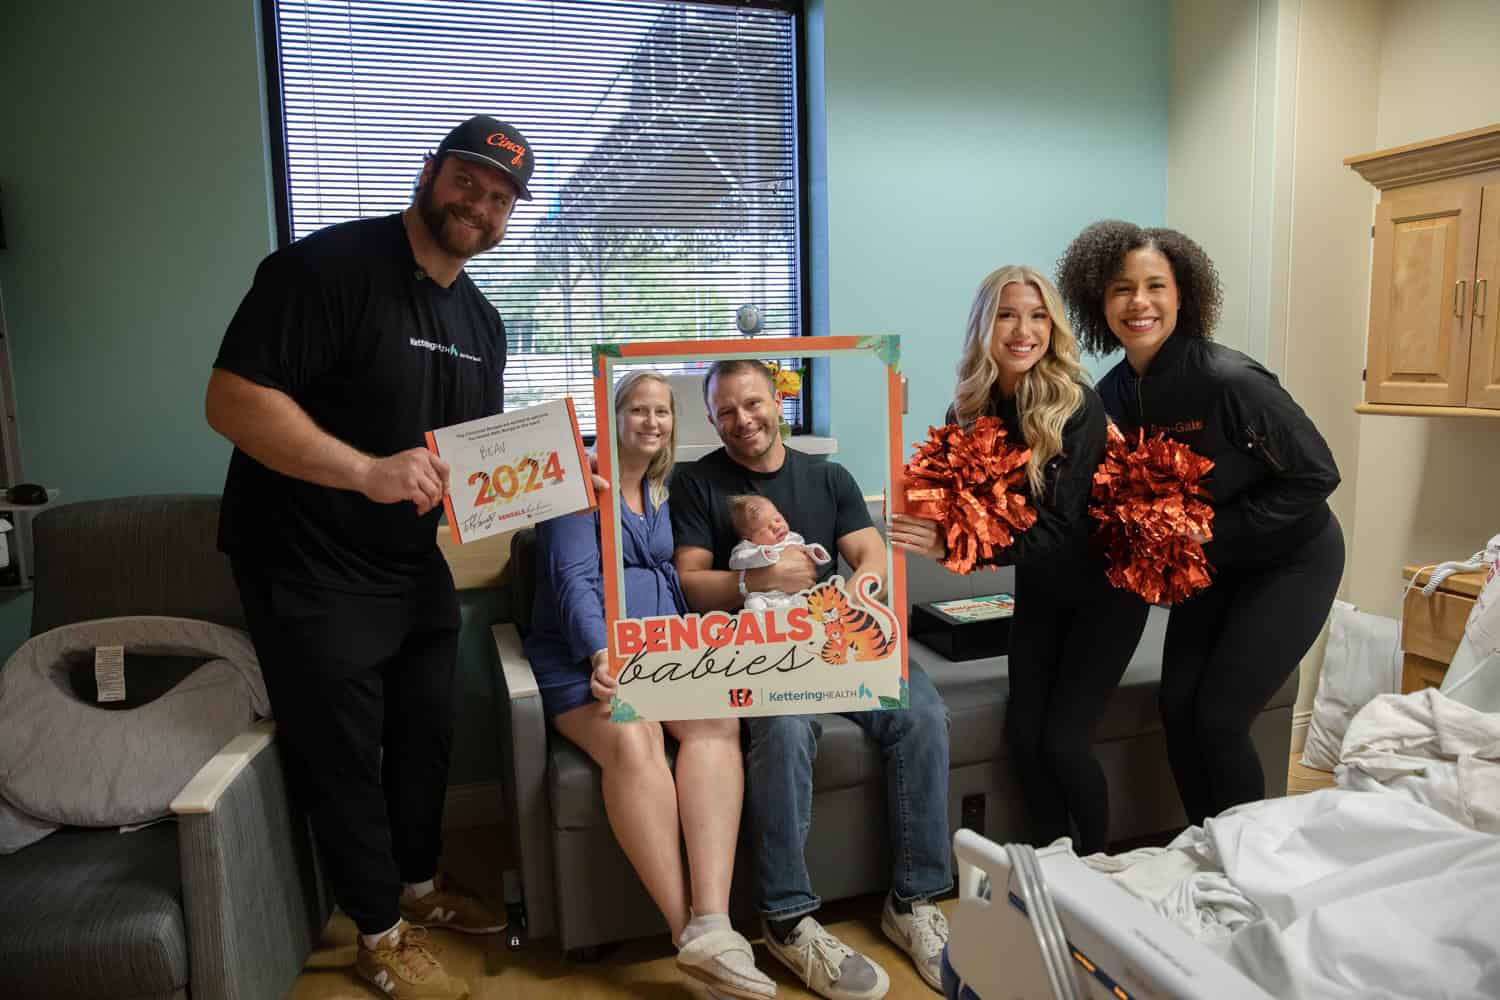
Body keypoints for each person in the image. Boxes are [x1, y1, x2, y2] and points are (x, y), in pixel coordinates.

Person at [206, 115, 540, 1000]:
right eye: (468, 181)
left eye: (501, 197)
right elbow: (233, 400)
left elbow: (469, 458)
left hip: (405, 563)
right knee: (342, 749)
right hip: (303, 559)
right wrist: (365, 470)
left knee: (426, 730)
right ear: (430, 173)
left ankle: (418, 890)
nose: (481, 204)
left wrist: (537, 483)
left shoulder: (482, 321)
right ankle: (377, 931)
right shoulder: (322, 270)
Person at [671, 360, 953, 999]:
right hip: (760, 649)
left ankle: (914, 903)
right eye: (726, 412)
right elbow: (689, 584)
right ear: (713, 420)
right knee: (785, 727)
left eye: (753, 403)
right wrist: (761, 581)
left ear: (778, 399)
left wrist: (863, 589)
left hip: (840, 635)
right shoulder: (698, 483)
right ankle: (788, 919)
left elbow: (869, 551)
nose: (743, 420)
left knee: (924, 714)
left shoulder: (828, 477)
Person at [1056, 221, 1344, 826]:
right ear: (1097, 303)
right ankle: (1206, 850)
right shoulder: (1109, 395)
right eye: (1121, 289)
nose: (1139, 302)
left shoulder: (1229, 379)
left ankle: (1253, 863)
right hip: (1209, 572)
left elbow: (1317, 474)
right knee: (1176, 706)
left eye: (1155, 286)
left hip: (1292, 561)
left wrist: (1211, 529)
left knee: (1217, 715)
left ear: (1182, 295)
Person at [523, 371, 775, 1000]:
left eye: (662, 411)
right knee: (632, 737)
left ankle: (716, 922)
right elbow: (572, 580)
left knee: (718, 723)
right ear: (615, 417)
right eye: (638, 409)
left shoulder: (665, 492)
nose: (652, 422)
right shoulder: (577, 489)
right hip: (588, 663)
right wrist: (598, 651)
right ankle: (686, 935)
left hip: (664, 654)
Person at [890, 265, 1151, 857]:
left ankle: (1095, 871)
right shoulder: (969, 406)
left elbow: (1057, 529)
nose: (1022, 330)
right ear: (986, 323)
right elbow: (960, 504)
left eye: (1037, 316)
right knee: (1024, 738)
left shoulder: (1075, 404)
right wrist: (926, 522)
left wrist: (952, 547)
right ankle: (1048, 867)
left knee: (1064, 742)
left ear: (1052, 327)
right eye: (1008, 314)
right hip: (1040, 592)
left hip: (1105, 593)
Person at [727, 494, 833, 610]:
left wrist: (815, 552)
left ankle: (800, 619)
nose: (777, 527)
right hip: (765, 596)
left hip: (793, 593)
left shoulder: (792, 538)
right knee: (753, 602)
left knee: (806, 601)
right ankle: (762, 623)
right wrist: (760, 555)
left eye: (778, 520)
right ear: (750, 538)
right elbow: (736, 562)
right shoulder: (748, 548)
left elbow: (805, 550)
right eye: (768, 528)